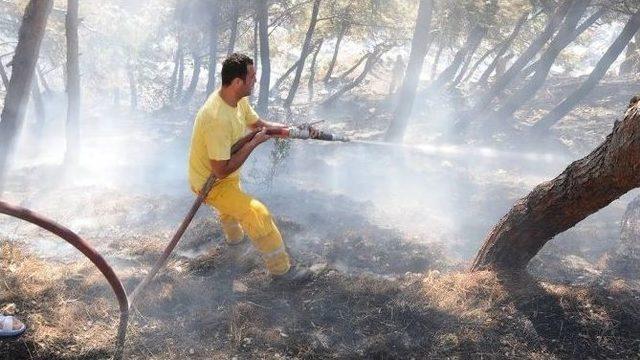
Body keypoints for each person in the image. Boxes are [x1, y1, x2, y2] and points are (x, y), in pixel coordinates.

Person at [188, 53, 315, 284]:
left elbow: (259, 126)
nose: (255, 81)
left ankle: (234, 243)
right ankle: (282, 272)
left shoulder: (236, 100)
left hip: (225, 176)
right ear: (238, 82)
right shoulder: (216, 118)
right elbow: (220, 171)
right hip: (211, 183)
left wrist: (297, 130)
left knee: (230, 210)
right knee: (257, 213)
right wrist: (254, 143)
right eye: (252, 77)